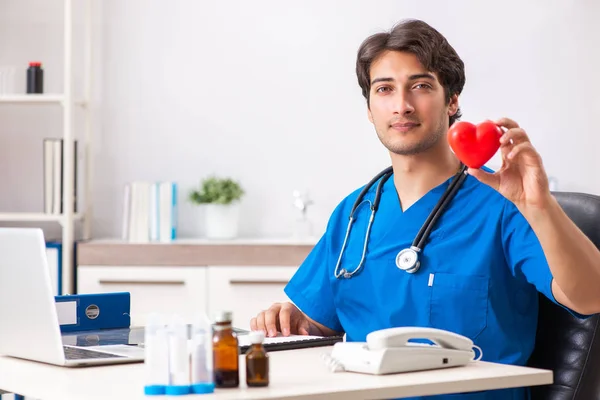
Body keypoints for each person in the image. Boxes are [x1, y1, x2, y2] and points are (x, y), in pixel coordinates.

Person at [250, 19, 600, 399]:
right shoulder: (354, 214)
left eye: (420, 86)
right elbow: (318, 323)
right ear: (370, 108)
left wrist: (540, 204)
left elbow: (590, 296)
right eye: (384, 89)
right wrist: (289, 319)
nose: (401, 105)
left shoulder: (504, 206)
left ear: (452, 101)